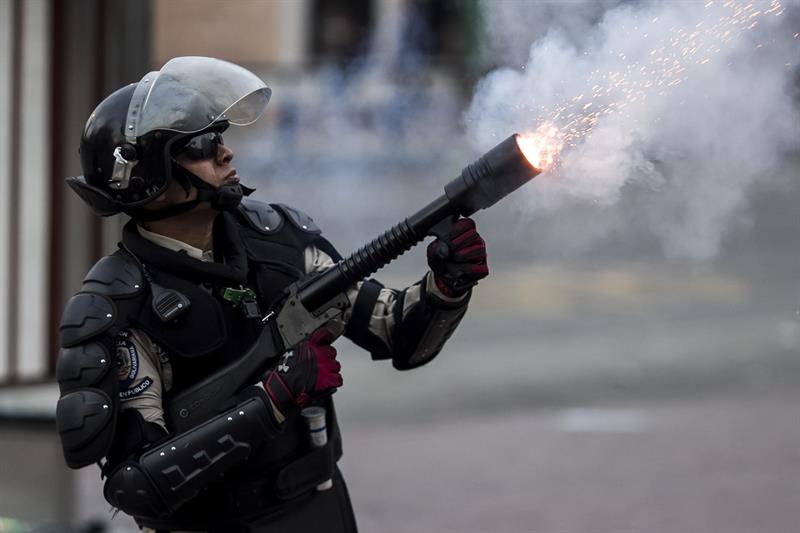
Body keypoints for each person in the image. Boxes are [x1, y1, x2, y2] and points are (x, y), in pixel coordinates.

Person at [55, 57, 488, 532]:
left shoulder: (282, 240)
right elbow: (132, 485)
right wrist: (269, 403)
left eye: (220, 137)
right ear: (148, 178)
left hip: (319, 509)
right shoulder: (116, 305)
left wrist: (447, 285)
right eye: (201, 145)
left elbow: (400, 336)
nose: (225, 154)